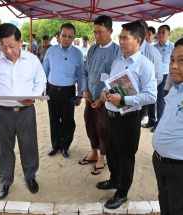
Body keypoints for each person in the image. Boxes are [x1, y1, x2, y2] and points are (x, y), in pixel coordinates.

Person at [0, 23, 47, 199]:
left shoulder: (32, 60)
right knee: (4, 147)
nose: (8, 51)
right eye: (3, 46)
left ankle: (30, 177)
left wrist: (32, 96)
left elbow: (40, 82)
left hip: (26, 111)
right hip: (2, 112)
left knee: (29, 145)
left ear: (20, 42)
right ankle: (5, 180)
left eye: (12, 46)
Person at [97, 21, 157, 209]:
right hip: (111, 115)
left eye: (125, 38)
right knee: (113, 152)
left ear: (137, 40)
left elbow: (151, 96)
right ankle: (115, 179)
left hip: (128, 119)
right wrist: (105, 94)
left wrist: (123, 101)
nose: (120, 41)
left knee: (125, 156)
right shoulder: (118, 61)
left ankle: (122, 192)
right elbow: (110, 85)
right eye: (120, 37)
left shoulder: (145, 65)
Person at [79, 15, 121, 175]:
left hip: (106, 101)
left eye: (101, 32)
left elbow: (117, 79)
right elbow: (84, 72)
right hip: (90, 98)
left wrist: (102, 99)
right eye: (95, 32)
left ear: (110, 31)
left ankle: (102, 157)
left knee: (103, 129)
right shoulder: (92, 49)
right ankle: (94, 152)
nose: (97, 36)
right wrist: (84, 89)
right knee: (90, 125)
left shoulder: (117, 51)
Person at [43, 23, 83, 158]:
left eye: (70, 36)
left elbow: (80, 75)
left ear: (73, 38)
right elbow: (44, 70)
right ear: (59, 36)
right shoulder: (51, 51)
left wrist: (80, 95)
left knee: (68, 120)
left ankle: (65, 146)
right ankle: (55, 145)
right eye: (64, 35)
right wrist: (43, 87)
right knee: (53, 118)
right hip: (51, 90)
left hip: (68, 93)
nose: (66, 38)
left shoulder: (77, 54)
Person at [152, 38, 183, 215]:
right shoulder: (175, 88)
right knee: (166, 206)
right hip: (161, 162)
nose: (173, 66)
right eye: (172, 59)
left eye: (181, 61)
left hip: (178, 169)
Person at [136, 20, 162, 128]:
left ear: (146, 33)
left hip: (142, 96)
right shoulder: (126, 50)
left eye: (140, 31)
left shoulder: (152, 52)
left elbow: (158, 77)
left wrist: (145, 90)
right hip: (128, 97)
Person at [152, 25, 174, 132]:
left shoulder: (173, 47)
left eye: (163, 32)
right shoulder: (154, 47)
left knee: (161, 100)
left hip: (165, 76)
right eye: (159, 32)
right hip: (154, 76)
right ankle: (151, 120)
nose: (160, 35)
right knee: (152, 98)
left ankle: (159, 124)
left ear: (168, 34)